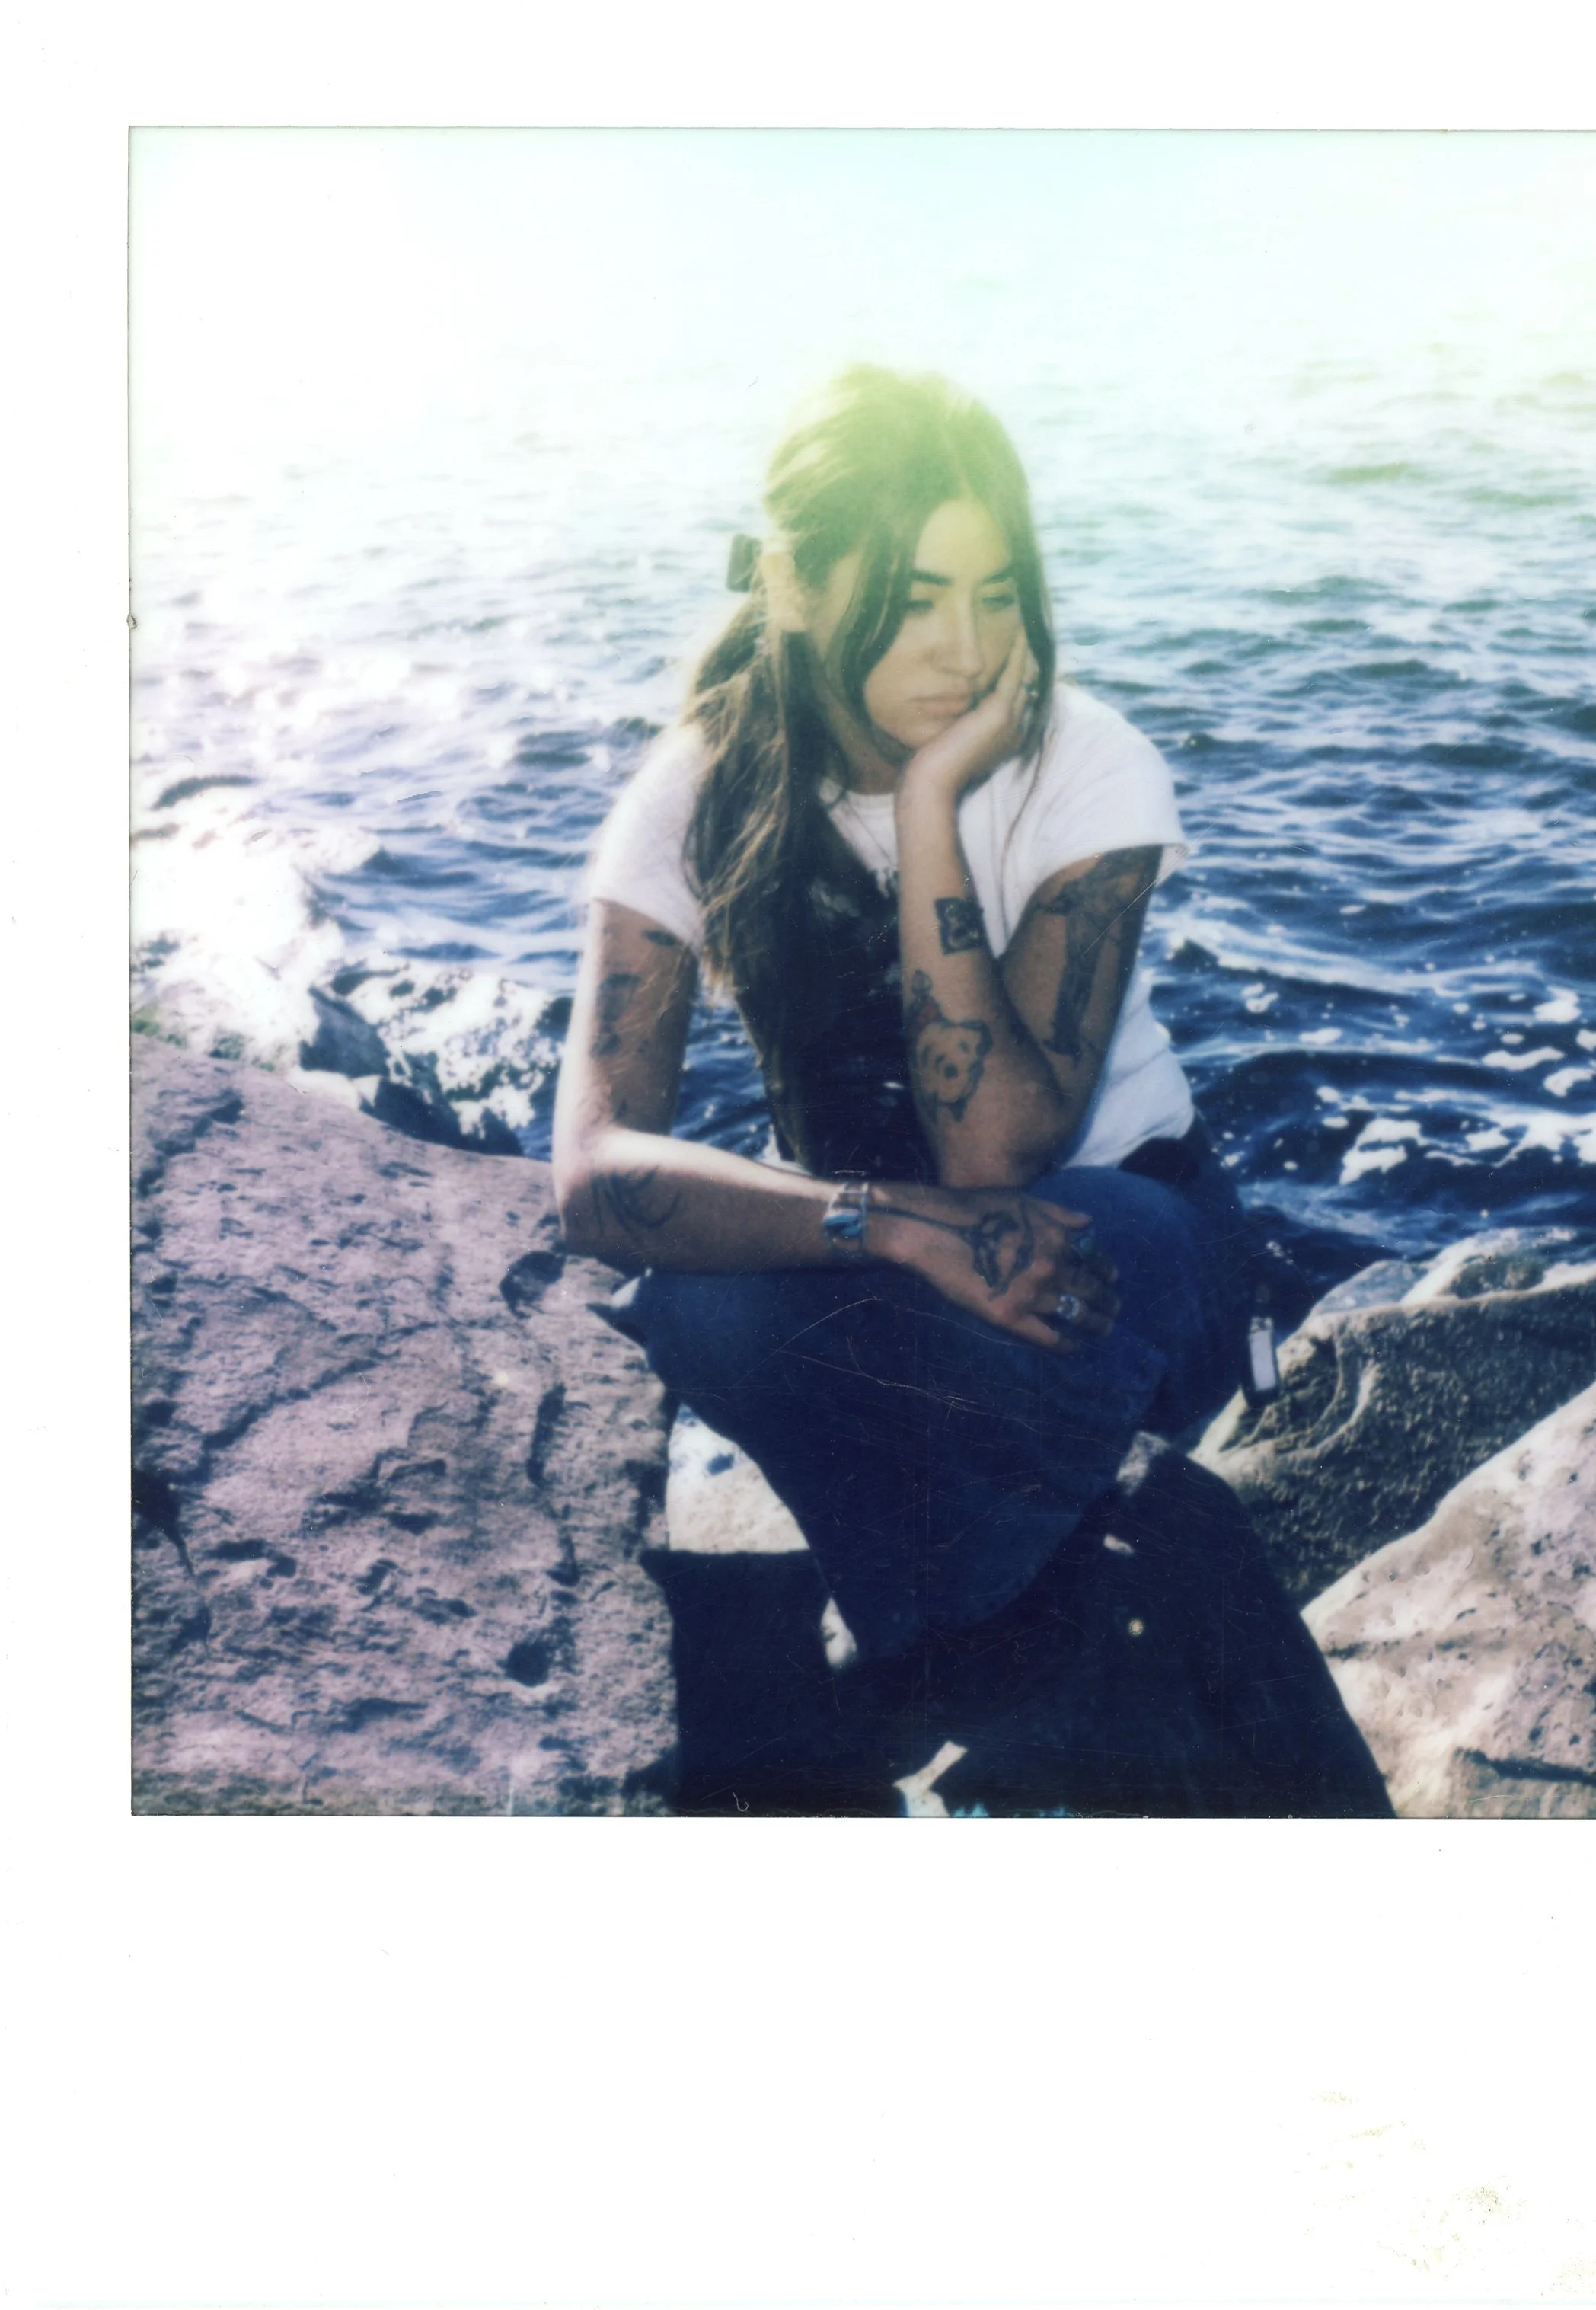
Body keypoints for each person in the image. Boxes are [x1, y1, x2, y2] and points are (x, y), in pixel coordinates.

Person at [552, 365, 1390, 1816]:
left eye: (996, 595)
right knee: (689, 1300)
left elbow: (999, 1149)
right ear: (801, 587)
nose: (965, 645)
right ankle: (990, 1624)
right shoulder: (700, 784)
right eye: (917, 596)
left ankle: (938, 1639)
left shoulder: (1085, 762)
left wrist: (932, 804)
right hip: (893, 1259)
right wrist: (885, 1225)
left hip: (1116, 1237)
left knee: (1045, 1264)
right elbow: (595, 1171)